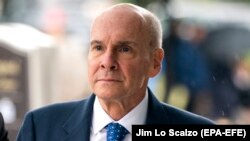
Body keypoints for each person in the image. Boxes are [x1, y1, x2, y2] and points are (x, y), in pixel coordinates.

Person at [16, 3, 214, 141]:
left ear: (155, 62)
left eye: (124, 49)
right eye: (98, 48)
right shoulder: (39, 127)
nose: (107, 62)